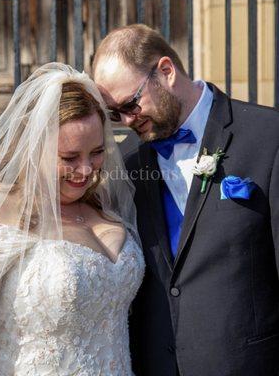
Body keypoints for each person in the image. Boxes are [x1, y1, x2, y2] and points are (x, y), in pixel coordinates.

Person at [93, 24, 279, 376]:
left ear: (166, 71)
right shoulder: (128, 161)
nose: (128, 121)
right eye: (116, 114)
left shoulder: (268, 137)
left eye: (132, 104)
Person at [0, 63, 145, 376]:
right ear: (31, 148)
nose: (86, 170)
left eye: (96, 152)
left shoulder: (103, 204)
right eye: (69, 157)